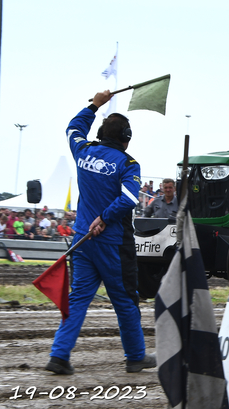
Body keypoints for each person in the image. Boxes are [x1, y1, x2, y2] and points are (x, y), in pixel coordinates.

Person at [46, 90, 155, 375]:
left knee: (79, 297)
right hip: (112, 244)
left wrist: (94, 104)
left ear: (101, 133)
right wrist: (105, 218)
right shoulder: (128, 164)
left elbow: (73, 128)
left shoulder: (83, 150)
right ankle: (135, 356)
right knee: (125, 300)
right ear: (126, 137)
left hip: (82, 238)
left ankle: (59, 355)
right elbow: (131, 199)